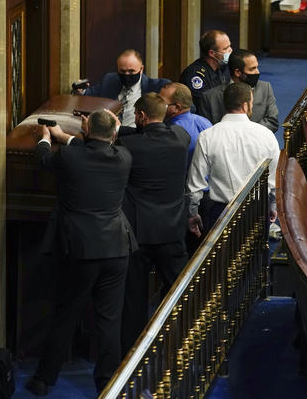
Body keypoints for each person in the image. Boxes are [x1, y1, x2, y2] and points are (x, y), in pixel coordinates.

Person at [26, 110, 134, 395]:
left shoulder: (71, 157)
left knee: (66, 315)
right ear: (114, 134)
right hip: (116, 249)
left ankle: (43, 379)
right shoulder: (123, 158)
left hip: (80, 250)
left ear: (86, 133)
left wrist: (48, 138)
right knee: (109, 320)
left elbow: (44, 159)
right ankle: (108, 382)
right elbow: (104, 140)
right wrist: (78, 133)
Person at [116, 93, 191, 355]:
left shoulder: (130, 147)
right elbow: (156, 132)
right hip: (172, 231)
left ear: (140, 116)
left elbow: (126, 139)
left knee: (133, 299)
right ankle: (179, 347)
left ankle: (131, 355)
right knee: (179, 294)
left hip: (139, 235)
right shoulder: (181, 139)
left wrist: (116, 129)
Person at [186, 82, 280, 237]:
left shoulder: (208, 136)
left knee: (221, 260)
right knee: (255, 259)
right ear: (245, 105)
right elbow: (273, 181)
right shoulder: (266, 135)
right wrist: (272, 205)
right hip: (256, 211)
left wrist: (193, 214)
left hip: (220, 213)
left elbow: (195, 185)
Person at [80, 49, 170, 127]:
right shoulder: (110, 80)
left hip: (138, 136)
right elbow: (89, 93)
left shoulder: (157, 87)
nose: (126, 75)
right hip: (109, 136)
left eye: (131, 71)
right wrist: (80, 90)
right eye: (122, 71)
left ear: (141, 69)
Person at [197, 49, 279, 132]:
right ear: (237, 72)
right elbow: (206, 129)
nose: (257, 72)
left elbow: (272, 121)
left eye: (257, 67)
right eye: (252, 69)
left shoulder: (265, 88)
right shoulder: (210, 97)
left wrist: (248, 133)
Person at [158, 82, 212, 165]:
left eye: (161, 102)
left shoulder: (170, 131)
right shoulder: (205, 121)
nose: (156, 104)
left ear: (177, 107)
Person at [179, 30, 232, 107]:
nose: (230, 50)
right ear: (212, 53)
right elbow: (204, 105)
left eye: (230, 46)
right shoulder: (195, 74)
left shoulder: (220, 69)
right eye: (226, 48)